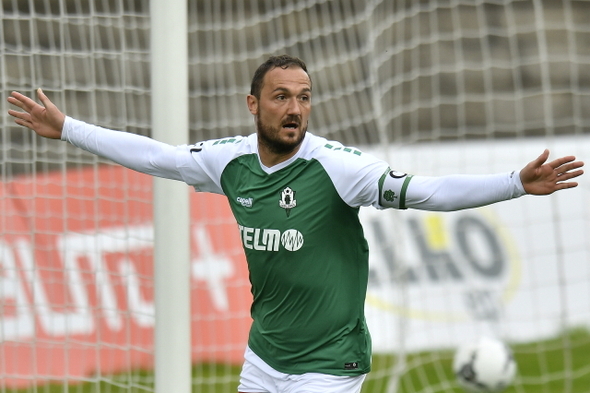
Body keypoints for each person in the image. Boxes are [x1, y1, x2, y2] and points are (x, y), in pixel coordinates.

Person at [8, 55, 584, 393]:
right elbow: (159, 156)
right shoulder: (228, 161)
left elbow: (426, 192)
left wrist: (513, 182)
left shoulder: (337, 168)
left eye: (304, 98)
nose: (295, 109)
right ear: (253, 104)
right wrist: (69, 129)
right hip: (264, 357)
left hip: (331, 364)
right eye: (281, 97)